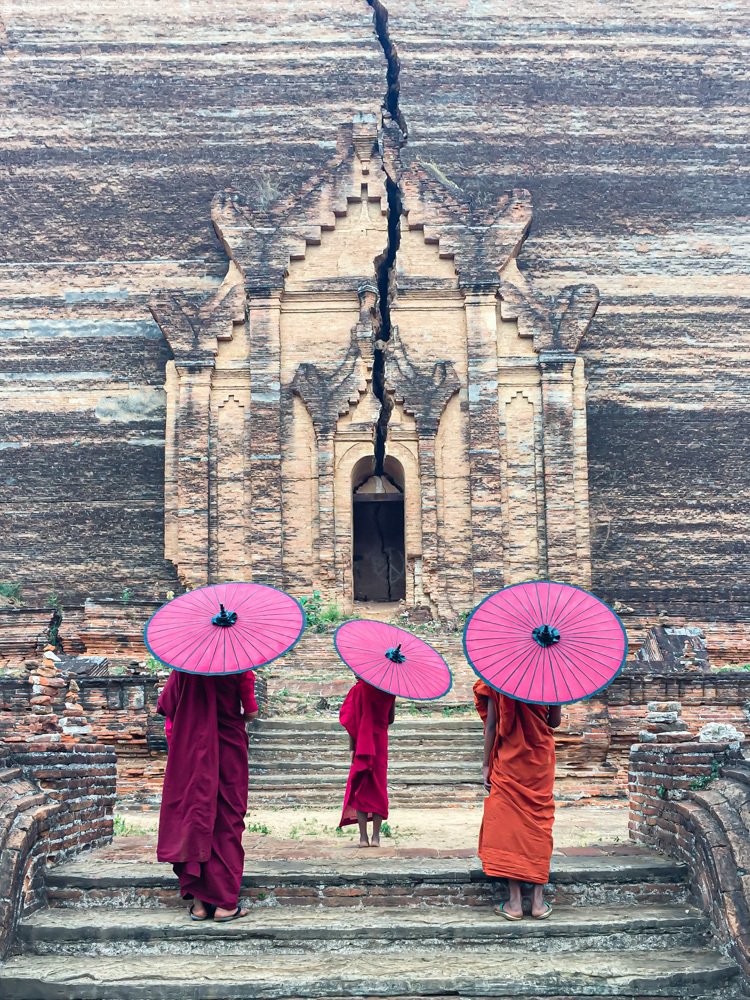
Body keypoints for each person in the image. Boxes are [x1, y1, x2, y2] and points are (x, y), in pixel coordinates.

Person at [157, 669, 258, 921]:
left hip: (193, 750)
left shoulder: (183, 669)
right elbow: (251, 712)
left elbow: (167, 705)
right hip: (228, 750)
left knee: (195, 816)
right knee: (227, 820)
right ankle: (225, 905)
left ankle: (199, 905)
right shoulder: (240, 668)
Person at [473, 678, 562, 920]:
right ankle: (538, 902)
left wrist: (486, 765)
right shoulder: (551, 678)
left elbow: (492, 725)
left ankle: (514, 903)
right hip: (539, 761)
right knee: (539, 824)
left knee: (509, 825)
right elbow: (554, 722)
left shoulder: (498, 678)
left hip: (510, 759)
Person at [338, 678, 396, 847]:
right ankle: (376, 837)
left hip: (361, 743)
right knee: (379, 787)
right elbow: (390, 719)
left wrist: (351, 748)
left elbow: (350, 722)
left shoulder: (357, 691)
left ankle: (363, 838)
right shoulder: (389, 689)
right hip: (380, 742)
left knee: (361, 788)